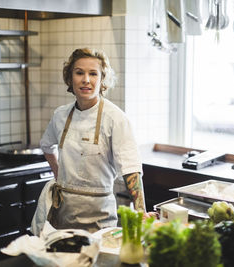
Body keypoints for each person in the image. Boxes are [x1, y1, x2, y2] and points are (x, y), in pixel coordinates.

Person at [31, 47, 150, 235]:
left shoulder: (116, 119)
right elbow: (47, 145)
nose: (86, 80)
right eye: (79, 73)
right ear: (70, 78)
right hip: (63, 216)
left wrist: (141, 211)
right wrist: (59, 174)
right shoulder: (60, 115)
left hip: (99, 221)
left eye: (93, 74)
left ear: (102, 80)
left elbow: (131, 169)